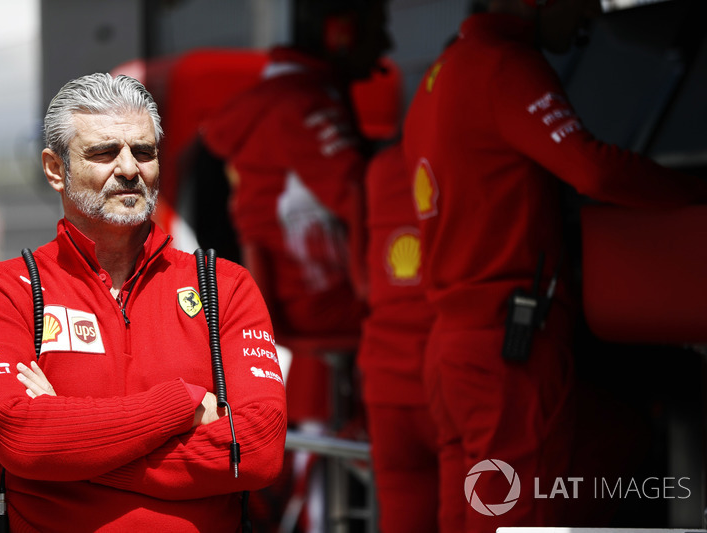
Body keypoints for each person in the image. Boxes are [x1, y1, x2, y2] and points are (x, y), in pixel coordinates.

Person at [401, 0, 707, 531]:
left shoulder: (438, 75)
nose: (589, 15)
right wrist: (698, 194)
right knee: (522, 523)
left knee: (469, 520)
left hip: (452, 351)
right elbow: (593, 172)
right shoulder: (505, 64)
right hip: (508, 351)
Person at [0, 73, 287, 533]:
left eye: (144, 151)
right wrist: (182, 403)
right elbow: (21, 436)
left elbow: (258, 453)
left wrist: (72, 450)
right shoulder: (1, 290)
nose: (130, 168)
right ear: (56, 169)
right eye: (104, 152)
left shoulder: (224, 287)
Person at [199, 0, 393, 425]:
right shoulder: (304, 106)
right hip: (327, 302)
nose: (388, 44)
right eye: (379, 27)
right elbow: (368, 202)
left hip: (295, 298)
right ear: (341, 31)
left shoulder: (278, 100)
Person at [356, 141, 438, 532]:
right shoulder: (472, 153)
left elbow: (363, 280)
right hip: (453, 376)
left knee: (404, 508)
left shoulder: (382, 168)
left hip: (385, 378)